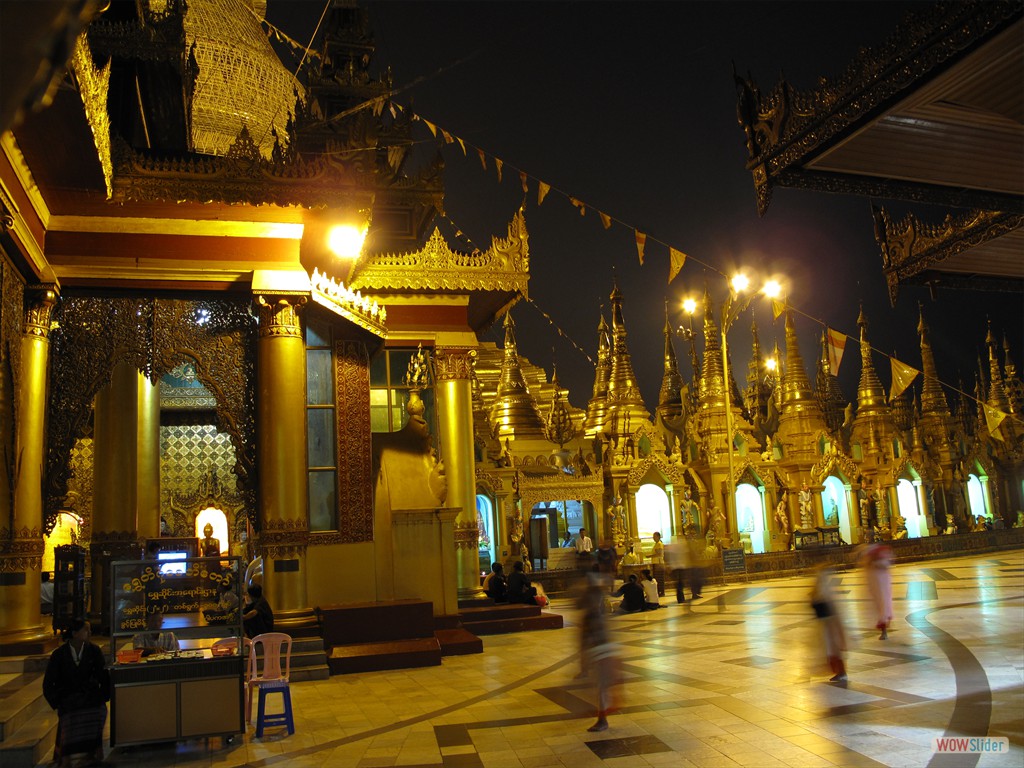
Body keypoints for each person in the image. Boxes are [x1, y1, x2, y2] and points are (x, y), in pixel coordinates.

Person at [42, 619, 110, 768]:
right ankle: (67, 756)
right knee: (70, 714)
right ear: (75, 633)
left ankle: (91, 752)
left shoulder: (94, 651)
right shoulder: (59, 655)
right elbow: (48, 684)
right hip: (69, 698)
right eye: (86, 630)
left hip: (89, 697)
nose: (90, 633)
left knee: (99, 710)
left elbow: (103, 676)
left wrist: (103, 696)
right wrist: (58, 702)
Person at [578, 571, 620, 732]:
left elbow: (590, 637)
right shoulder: (595, 611)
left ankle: (602, 719)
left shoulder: (594, 613)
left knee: (602, 687)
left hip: (603, 651)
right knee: (601, 687)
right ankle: (602, 717)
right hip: (602, 651)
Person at [810, 561, 848, 683]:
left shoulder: (825, 587)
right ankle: (839, 672)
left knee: (833, 646)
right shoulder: (822, 585)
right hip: (826, 621)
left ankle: (841, 672)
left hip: (830, 621)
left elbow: (826, 602)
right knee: (829, 646)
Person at [857, 535, 894, 639]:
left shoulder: (880, 550)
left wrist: (875, 562)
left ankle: (884, 627)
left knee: (883, 603)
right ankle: (884, 625)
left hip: (882, 582)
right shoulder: (865, 550)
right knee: (879, 605)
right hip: (874, 582)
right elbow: (863, 563)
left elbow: (886, 564)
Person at [664, 536, 687, 603]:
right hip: (679, 567)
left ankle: (680, 598)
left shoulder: (671, 548)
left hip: (675, 567)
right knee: (680, 583)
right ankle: (681, 599)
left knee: (679, 583)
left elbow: (667, 557)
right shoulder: (680, 547)